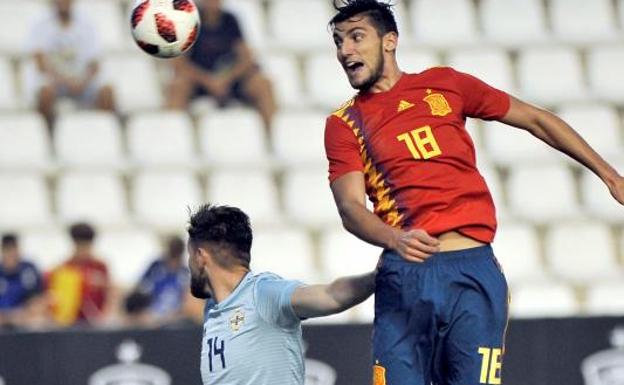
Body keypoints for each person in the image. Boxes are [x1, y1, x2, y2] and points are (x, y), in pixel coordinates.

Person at [323, 1, 624, 385]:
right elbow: (349, 208)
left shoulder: (445, 84)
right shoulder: (344, 123)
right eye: (338, 41)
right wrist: (394, 238)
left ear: (390, 41)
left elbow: (536, 120)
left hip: (473, 272)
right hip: (405, 277)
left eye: (355, 37)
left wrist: (610, 176)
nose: (344, 50)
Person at [187, 204, 376, 385]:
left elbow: (332, 295)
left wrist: (380, 276)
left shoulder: (262, 294)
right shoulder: (212, 309)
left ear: (200, 257)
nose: (188, 265)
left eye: (189, 256)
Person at [168, 0, 276, 134]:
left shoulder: (230, 20)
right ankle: (174, 135)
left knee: (263, 84)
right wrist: (209, 81)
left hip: (229, 79)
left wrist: (225, 79)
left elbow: (246, 57)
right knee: (178, 86)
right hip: (200, 81)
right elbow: (179, 62)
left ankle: (272, 136)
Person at [27, 0, 114, 127]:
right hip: (55, 83)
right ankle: (46, 133)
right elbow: (40, 62)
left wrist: (82, 82)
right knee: (45, 92)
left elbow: (95, 63)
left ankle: (103, 131)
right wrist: (64, 81)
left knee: (107, 92)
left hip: (82, 82)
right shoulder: (39, 23)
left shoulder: (87, 23)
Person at [47, 222, 110, 326]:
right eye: (80, 246)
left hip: (96, 324)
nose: (84, 251)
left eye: (87, 246)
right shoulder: (62, 269)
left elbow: (109, 295)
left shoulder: (100, 266)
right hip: (69, 324)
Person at [134, 235, 190, 324]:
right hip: (151, 315)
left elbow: (187, 299)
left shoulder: (184, 273)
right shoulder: (156, 266)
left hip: (175, 318)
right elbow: (139, 288)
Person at [0, 233, 44, 329]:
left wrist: (26, 312)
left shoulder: (29, 269)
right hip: (3, 319)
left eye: (13, 249)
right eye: (7, 250)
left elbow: (38, 299)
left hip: (25, 317)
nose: (11, 254)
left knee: (38, 321)